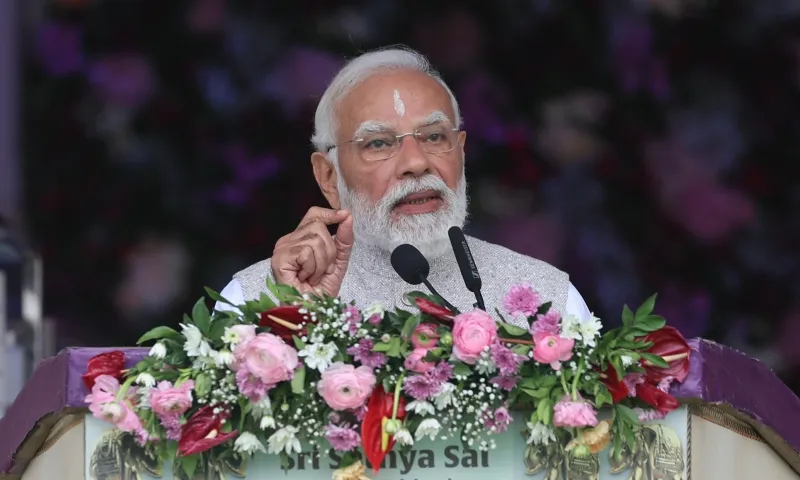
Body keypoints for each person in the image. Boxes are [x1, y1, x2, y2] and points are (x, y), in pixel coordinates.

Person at [216, 47, 592, 326]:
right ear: (328, 177)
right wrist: (295, 323)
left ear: (460, 154)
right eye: (378, 143)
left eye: (433, 137)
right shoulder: (255, 300)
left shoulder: (546, 299)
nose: (416, 162)